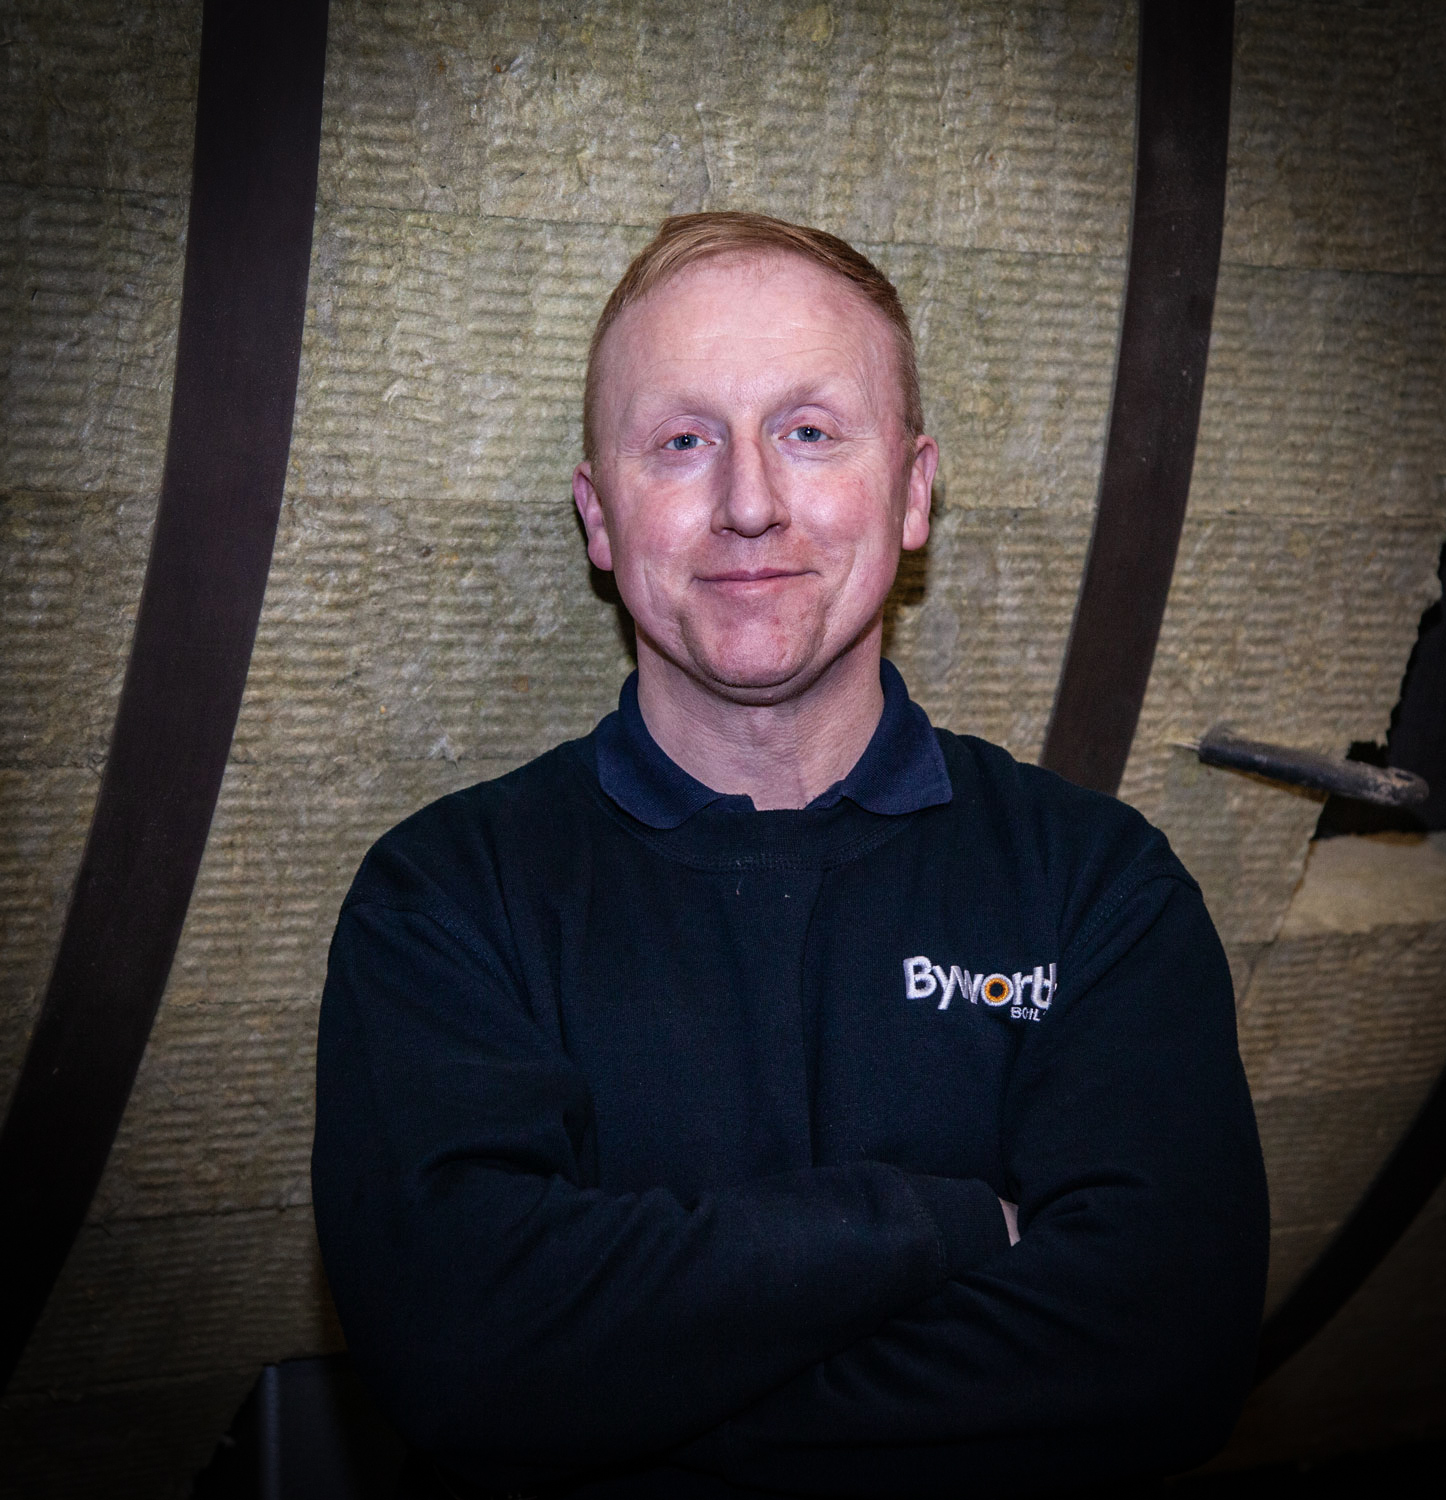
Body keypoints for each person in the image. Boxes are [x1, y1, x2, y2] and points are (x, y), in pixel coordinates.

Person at [312, 211, 1269, 1498]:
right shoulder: (443, 903)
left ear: (915, 490)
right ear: (600, 518)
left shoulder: (1098, 889)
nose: (750, 502)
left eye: (810, 432)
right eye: (682, 442)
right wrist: (952, 1226)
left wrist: (621, 1392)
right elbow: (460, 1349)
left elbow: (1170, 1354)